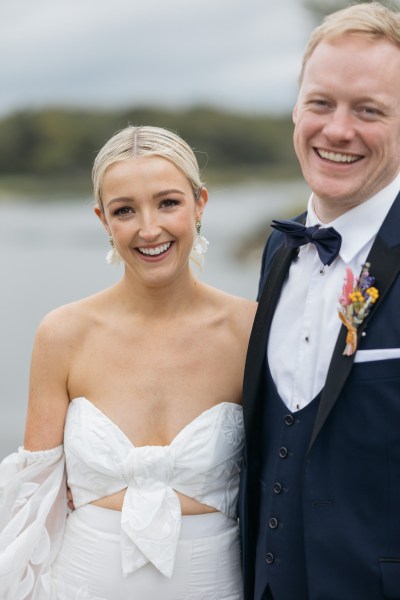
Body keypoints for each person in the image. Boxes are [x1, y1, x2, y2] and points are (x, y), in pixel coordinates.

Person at [0, 125, 257, 600]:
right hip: (80, 585)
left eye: (168, 202)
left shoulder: (250, 330)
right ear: (103, 219)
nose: (149, 228)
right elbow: (34, 504)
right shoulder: (62, 335)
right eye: (124, 210)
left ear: (200, 203)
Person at [239, 3, 400, 600]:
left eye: (370, 110)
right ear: (295, 112)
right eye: (321, 103)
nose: (337, 129)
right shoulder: (277, 250)